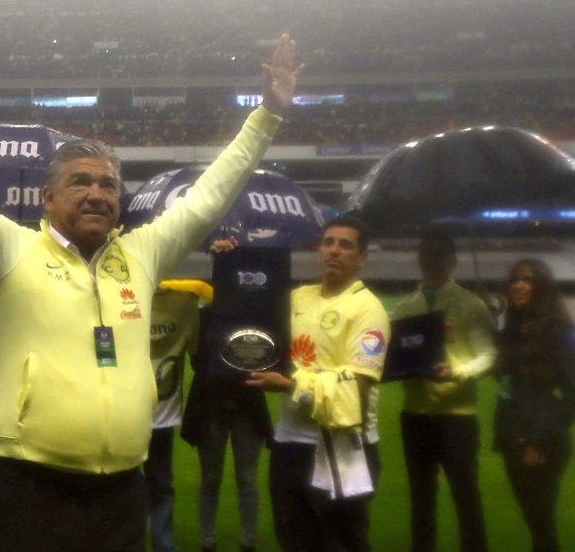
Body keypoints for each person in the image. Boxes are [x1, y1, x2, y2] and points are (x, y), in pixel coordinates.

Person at [0, 0, 301, 552]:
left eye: (108, 185)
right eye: (80, 181)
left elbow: (209, 198)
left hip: (122, 493)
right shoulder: (10, 250)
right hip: (29, 489)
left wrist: (267, 115)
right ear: (48, 197)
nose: (97, 193)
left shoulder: (140, 255)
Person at [247, 213, 389, 552]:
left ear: (362, 258)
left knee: (342, 542)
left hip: (342, 446)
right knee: (293, 539)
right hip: (290, 442)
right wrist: (230, 257)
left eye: (345, 245)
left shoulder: (368, 309)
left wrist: (290, 386)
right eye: (328, 242)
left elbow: (358, 386)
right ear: (318, 249)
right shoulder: (298, 298)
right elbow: (248, 313)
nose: (334, 251)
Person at [390, 230, 496, 552]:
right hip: (415, 416)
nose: (431, 260)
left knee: (465, 498)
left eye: (438, 255)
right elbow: (395, 357)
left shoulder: (470, 305)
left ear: (452, 261)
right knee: (421, 501)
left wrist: (457, 372)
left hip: (456, 418)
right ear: (419, 259)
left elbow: (489, 356)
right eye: (426, 254)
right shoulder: (405, 308)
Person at [181, 240, 272, 552]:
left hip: (247, 402)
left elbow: (268, 353)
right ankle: (209, 542)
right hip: (211, 404)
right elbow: (195, 358)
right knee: (210, 478)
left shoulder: (255, 312)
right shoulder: (204, 316)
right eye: (218, 263)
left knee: (246, 478)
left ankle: (247, 543)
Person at [492, 259, 575, 552]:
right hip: (513, 436)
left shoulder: (559, 330)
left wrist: (537, 443)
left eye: (527, 279)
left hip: (542, 442)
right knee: (534, 520)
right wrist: (492, 322)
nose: (518, 285)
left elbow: (570, 395)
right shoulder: (515, 327)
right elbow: (502, 375)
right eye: (514, 279)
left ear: (541, 286)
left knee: (542, 523)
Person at [145, 279, 208, 552]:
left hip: (151, 415)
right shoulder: (184, 302)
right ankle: (159, 543)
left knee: (153, 483)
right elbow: (196, 350)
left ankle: (158, 542)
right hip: (146, 414)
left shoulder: (183, 302)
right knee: (157, 484)